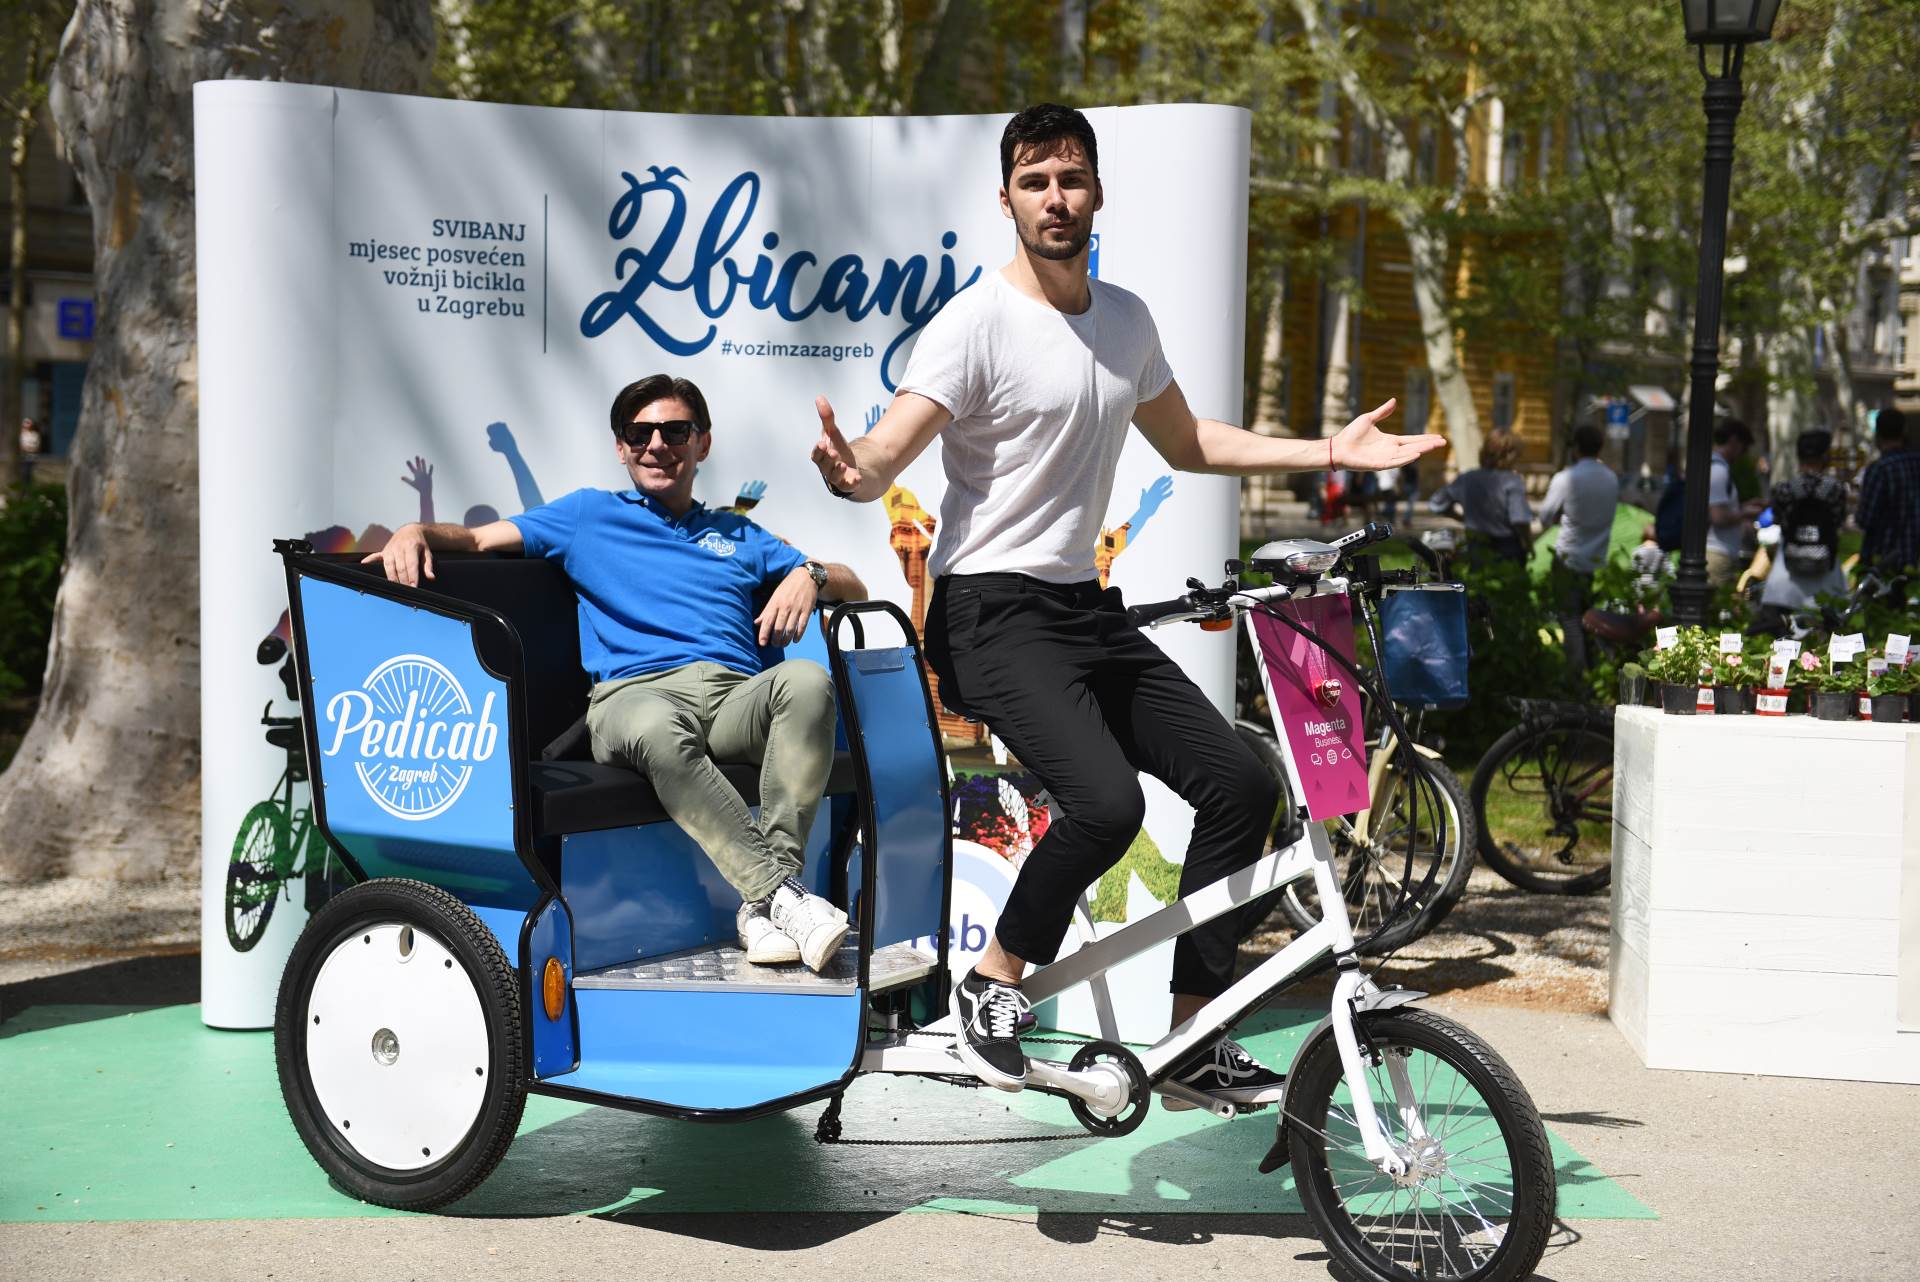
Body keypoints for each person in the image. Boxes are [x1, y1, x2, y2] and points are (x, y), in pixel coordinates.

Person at [807, 103, 1443, 1104]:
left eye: (1070, 179)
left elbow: (1190, 445)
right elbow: (887, 450)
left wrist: (1331, 449)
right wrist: (852, 473)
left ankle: (1197, 1028)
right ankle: (990, 985)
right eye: (1034, 182)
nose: (1055, 200)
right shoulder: (973, 324)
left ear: (1096, 191)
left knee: (1245, 784)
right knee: (1108, 804)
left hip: (1080, 611)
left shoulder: (1126, 319)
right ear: (1007, 199)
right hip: (989, 613)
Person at [368, 374, 866, 973]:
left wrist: (809, 574)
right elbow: (475, 539)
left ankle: (766, 906)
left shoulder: (739, 533)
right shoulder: (588, 515)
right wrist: (414, 530)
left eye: (675, 430)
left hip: (734, 698)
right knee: (657, 725)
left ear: (702, 444)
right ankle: (785, 897)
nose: (658, 444)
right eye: (640, 433)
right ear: (622, 447)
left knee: (809, 682)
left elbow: (853, 584)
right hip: (633, 699)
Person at [1538, 424, 1620, 674]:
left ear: (1575, 448)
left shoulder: (1566, 478)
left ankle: (1576, 675)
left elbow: (1545, 516)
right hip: (1597, 560)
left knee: (1570, 619)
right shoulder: (1611, 477)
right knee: (1592, 619)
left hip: (1568, 557)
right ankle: (1597, 670)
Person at [1755, 430, 1848, 634]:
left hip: (1788, 571)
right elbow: (1839, 520)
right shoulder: (1835, 489)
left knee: (1783, 631)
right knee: (1826, 630)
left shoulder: (1785, 488)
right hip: (1826, 570)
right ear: (1825, 456)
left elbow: (1778, 519)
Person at [1425, 430, 1533, 563]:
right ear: (1509, 455)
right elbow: (1520, 519)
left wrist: (1463, 519)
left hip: (1476, 545)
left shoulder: (1467, 478)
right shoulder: (1512, 481)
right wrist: (1528, 544)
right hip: (1508, 548)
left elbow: (1436, 503)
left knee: (1478, 580)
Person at [1857, 407, 1919, 574]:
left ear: (1878, 433)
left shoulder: (1879, 469)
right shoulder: (1916, 462)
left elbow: (1865, 519)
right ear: (1904, 431)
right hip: (1915, 557)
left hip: (1884, 559)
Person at [1706, 417, 1765, 586]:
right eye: (1744, 448)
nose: (1743, 454)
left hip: (1719, 552)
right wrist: (1745, 513)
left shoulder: (1716, 468)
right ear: (1734, 441)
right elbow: (1718, 517)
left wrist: (1742, 507)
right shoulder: (1718, 470)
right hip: (1717, 553)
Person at [18, 417, 42, 487]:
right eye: (25, 423)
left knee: (30, 473)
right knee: (25, 473)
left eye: (28, 423)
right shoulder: (22, 435)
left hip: (32, 457)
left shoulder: (35, 435)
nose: (26, 425)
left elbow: (37, 447)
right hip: (24, 457)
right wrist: (29, 448)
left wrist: (29, 448)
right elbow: (22, 447)